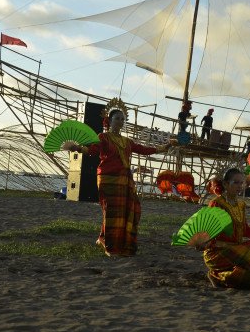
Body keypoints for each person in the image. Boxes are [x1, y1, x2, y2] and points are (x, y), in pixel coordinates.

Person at [66, 97, 172, 257]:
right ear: (110, 120)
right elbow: (93, 151)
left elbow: (143, 149)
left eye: (123, 119)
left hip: (124, 179)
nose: (120, 121)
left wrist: (163, 148)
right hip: (108, 178)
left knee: (129, 209)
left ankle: (105, 238)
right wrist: (77, 148)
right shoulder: (103, 137)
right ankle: (110, 245)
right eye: (117, 118)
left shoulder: (126, 141)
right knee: (110, 210)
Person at [189, 168, 250, 290]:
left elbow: (245, 230)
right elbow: (207, 230)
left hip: (236, 248)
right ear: (226, 184)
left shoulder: (240, 205)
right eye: (236, 183)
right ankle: (218, 276)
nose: (240, 186)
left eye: (241, 183)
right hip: (218, 251)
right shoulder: (217, 204)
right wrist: (203, 242)